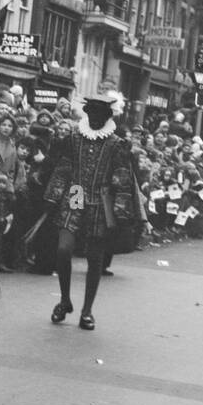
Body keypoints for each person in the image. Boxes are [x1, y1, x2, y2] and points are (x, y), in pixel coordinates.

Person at [46, 91, 138, 331]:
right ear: (87, 114)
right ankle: (65, 300)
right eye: (92, 113)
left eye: (100, 114)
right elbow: (64, 168)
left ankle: (87, 310)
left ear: (107, 116)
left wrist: (121, 209)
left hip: (101, 198)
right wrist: (53, 195)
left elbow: (122, 177)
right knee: (63, 249)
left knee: (95, 258)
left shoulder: (117, 143)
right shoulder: (75, 137)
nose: (95, 118)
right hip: (75, 194)